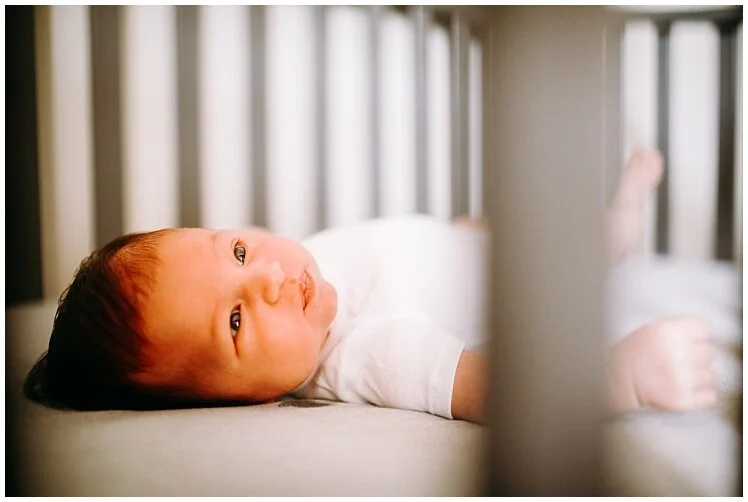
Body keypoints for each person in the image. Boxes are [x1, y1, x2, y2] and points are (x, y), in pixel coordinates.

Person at [24, 149, 716, 424]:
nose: (267, 277)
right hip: (519, 274)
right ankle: (626, 215)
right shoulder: (369, 353)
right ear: (227, 400)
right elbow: (497, 392)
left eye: (236, 250)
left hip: (455, 238)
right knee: (597, 245)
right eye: (233, 322)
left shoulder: (295, 276)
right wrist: (619, 377)